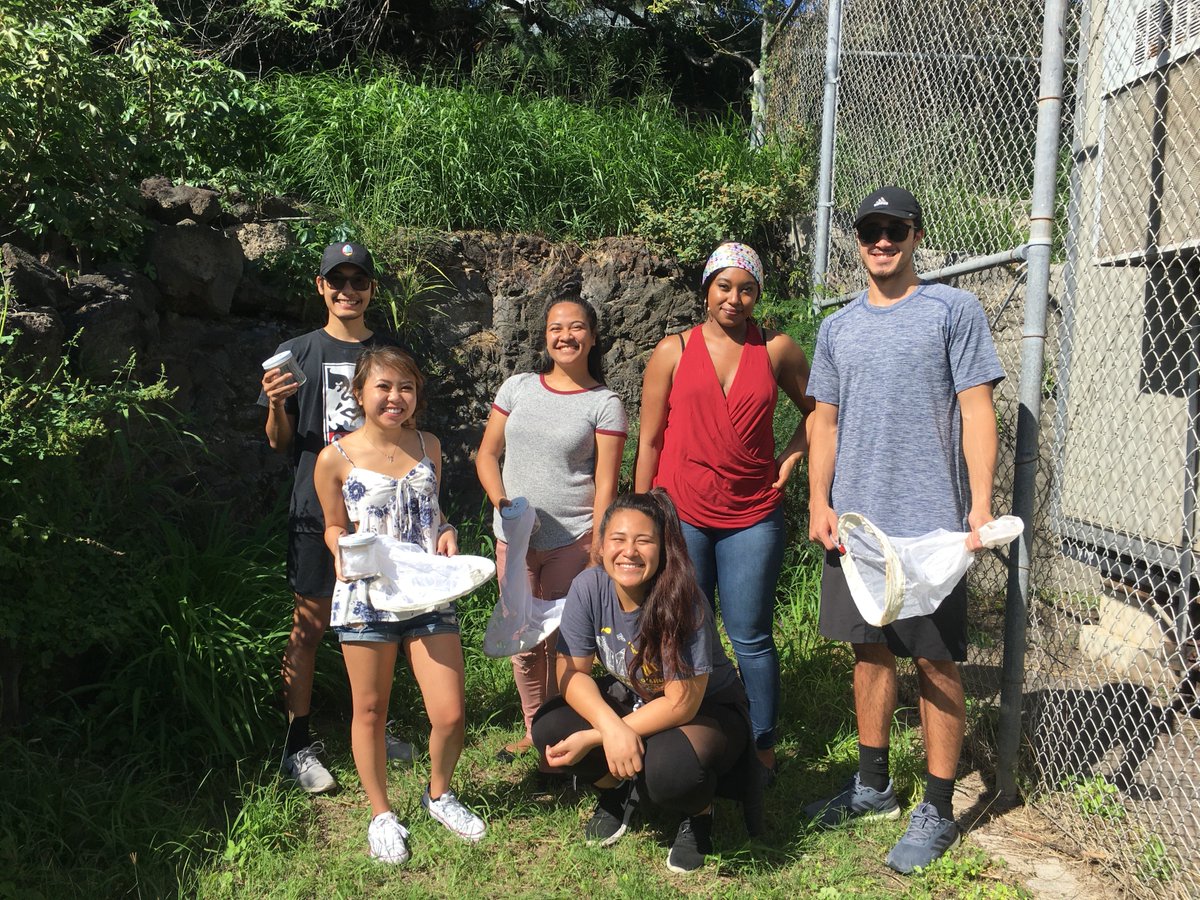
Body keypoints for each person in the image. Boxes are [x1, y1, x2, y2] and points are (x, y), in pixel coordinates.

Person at [804, 186, 1003, 873]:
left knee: (935, 661)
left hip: (929, 532)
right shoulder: (836, 328)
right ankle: (871, 786)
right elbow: (822, 422)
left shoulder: (954, 311)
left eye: (894, 229)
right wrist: (817, 501)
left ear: (916, 235)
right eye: (869, 229)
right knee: (869, 653)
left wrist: (979, 504)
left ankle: (939, 808)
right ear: (856, 238)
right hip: (855, 529)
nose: (881, 240)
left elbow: (978, 411)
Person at [634, 241, 812, 777]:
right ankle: (683, 727)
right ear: (707, 290)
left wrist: (792, 457)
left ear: (759, 293)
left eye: (747, 288)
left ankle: (759, 746)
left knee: (750, 634)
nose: (735, 298)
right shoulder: (674, 350)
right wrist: (642, 515)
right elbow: (649, 439)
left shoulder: (777, 348)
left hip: (753, 513)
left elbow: (819, 410)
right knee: (680, 625)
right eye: (724, 286)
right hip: (681, 509)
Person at [313, 346, 486, 864]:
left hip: (428, 587)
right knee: (370, 709)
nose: (395, 397)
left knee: (451, 713)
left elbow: (433, 511)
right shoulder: (334, 458)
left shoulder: (428, 444)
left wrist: (450, 530)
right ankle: (381, 814)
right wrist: (338, 553)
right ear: (360, 393)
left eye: (406, 387)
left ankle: (440, 794)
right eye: (384, 387)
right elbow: (333, 526)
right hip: (368, 595)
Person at [531, 490, 759, 873]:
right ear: (601, 545)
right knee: (550, 726)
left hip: (706, 711)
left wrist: (596, 736)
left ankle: (700, 814)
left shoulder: (683, 599)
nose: (629, 552)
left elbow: (682, 702)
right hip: (637, 700)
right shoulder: (589, 586)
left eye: (644, 541)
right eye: (618, 539)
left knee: (669, 770)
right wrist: (610, 727)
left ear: (663, 547)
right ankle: (614, 791)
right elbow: (570, 675)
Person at [259, 242, 412, 793]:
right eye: (337, 280)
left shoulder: (391, 353)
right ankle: (296, 745)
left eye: (359, 280)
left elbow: (408, 429)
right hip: (314, 510)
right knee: (309, 626)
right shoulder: (296, 352)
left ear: (372, 289)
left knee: (382, 623)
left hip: (382, 513)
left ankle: (376, 723)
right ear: (320, 287)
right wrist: (276, 404)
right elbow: (279, 443)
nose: (348, 290)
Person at [476, 296, 627, 767]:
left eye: (577, 327)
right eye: (556, 327)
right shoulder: (518, 388)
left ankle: (565, 728)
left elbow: (606, 482)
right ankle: (534, 727)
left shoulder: (605, 403)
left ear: (593, 336)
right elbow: (486, 455)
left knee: (564, 642)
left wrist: (598, 547)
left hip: (574, 539)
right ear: (545, 336)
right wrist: (504, 504)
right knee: (523, 638)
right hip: (515, 538)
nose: (566, 336)